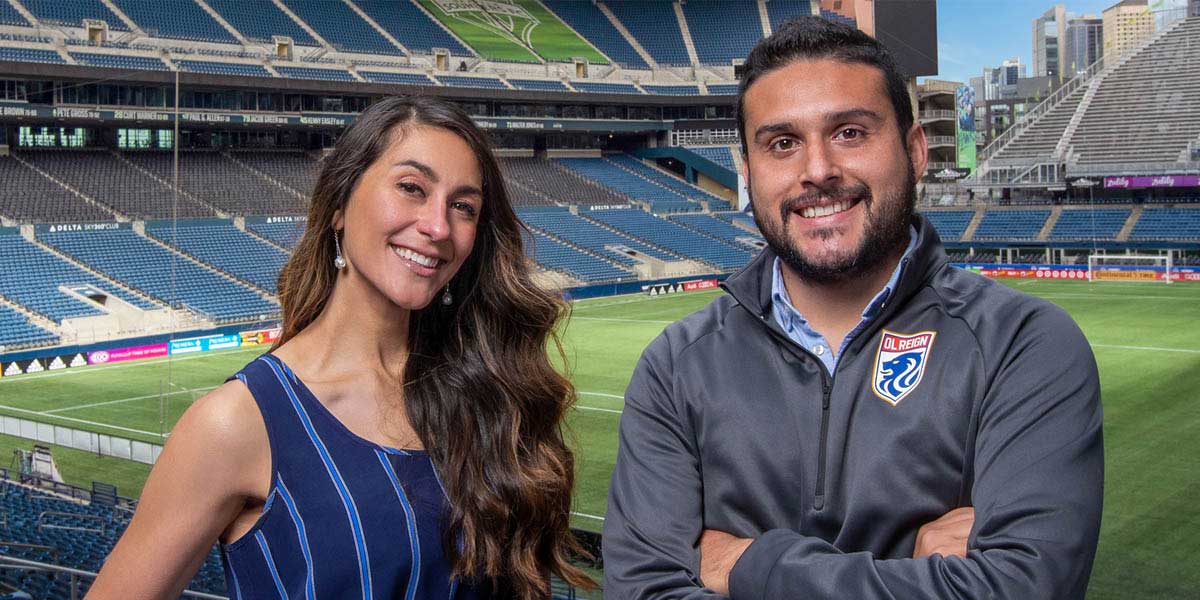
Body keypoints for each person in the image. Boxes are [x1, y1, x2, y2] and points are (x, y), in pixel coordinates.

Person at [602, 17, 1103, 599]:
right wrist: (921, 578)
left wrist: (747, 564)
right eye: (782, 144)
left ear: (915, 151)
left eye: (849, 133)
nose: (817, 171)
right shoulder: (675, 367)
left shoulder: (1024, 345)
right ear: (746, 172)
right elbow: (641, 592)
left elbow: (1021, 590)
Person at [90, 96, 591, 599]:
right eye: (411, 188)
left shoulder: (487, 392)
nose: (438, 227)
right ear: (338, 207)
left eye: (464, 207)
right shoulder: (236, 424)